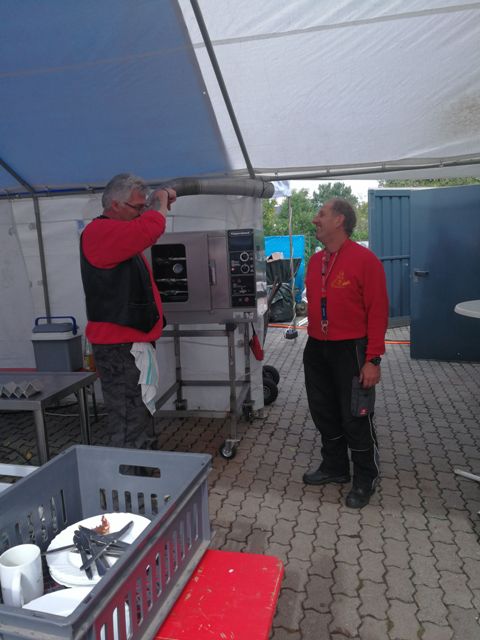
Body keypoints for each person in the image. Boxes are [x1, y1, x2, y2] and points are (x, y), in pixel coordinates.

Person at [303, 198, 389, 508]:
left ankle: (365, 477)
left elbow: (378, 311)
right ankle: (335, 466)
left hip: (351, 349)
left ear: (339, 220)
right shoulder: (316, 261)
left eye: (321, 214)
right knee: (323, 411)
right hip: (316, 347)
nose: (315, 219)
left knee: (355, 415)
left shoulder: (365, 260)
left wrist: (372, 359)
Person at [80, 173, 176, 449]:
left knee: (139, 414)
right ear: (115, 205)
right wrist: (160, 204)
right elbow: (148, 230)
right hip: (119, 349)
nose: (141, 212)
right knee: (127, 422)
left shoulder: (116, 234)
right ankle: (128, 473)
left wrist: (155, 206)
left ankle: (143, 467)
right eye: (137, 207)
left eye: (144, 207)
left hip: (129, 345)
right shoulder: (99, 233)